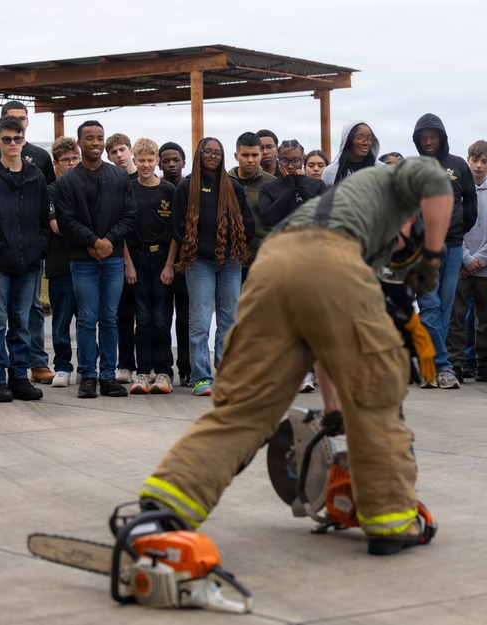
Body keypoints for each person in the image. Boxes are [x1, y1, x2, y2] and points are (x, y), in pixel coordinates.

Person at [138, 155, 451, 556]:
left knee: (246, 407)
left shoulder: (340, 209)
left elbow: (325, 340)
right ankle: (391, 521)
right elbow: (435, 179)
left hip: (271, 266)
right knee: (376, 398)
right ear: (411, 220)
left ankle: (165, 505)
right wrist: (434, 256)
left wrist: (335, 410)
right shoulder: (392, 182)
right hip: (330, 258)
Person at [0, 101, 55, 387]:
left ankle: (19, 377)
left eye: (17, 138)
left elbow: (45, 217)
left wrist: (39, 247)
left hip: (28, 263)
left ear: (23, 140)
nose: (13, 143)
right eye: (7, 139)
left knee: (22, 323)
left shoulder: (36, 176)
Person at [54, 120, 138, 399]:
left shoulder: (118, 176)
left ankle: (108, 376)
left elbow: (129, 215)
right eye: (89, 138)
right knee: (87, 320)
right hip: (82, 259)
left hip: (112, 258)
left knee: (110, 319)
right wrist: (92, 242)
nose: (95, 142)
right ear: (79, 142)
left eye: (99, 137)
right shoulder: (66, 181)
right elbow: (66, 220)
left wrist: (107, 241)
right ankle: (88, 376)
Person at [172, 138, 254, 397]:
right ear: (199, 155)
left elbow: (247, 223)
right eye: (207, 151)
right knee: (199, 322)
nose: (212, 155)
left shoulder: (233, 187)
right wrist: (197, 247)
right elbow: (176, 226)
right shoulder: (186, 187)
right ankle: (200, 377)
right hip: (198, 263)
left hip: (230, 262)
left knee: (229, 321)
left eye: (217, 152)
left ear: (223, 157)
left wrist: (232, 246)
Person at [413, 113, 477, 389]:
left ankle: (429, 366)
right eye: (423, 137)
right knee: (430, 304)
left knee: (446, 308)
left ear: (442, 137)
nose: (428, 141)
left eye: (432, 136)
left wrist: (459, 231)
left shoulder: (458, 165)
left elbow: (470, 203)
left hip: (451, 245)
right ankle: (442, 366)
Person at [258, 139, 328, 394]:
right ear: (278, 160)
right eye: (285, 160)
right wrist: (288, 187)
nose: (291, 165)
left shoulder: (316, 185)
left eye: (296, 160)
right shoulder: (270, 187)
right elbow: (270, 217)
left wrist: (300, 184)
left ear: (302, 160)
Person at [126, 138, 178, 395]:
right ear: (134, 160)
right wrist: (128, 264)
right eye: (141, 160)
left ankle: (164, 372)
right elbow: (122, 231)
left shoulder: (169, 190)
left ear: (157, 161)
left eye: (150, 160)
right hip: (137, 258)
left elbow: (175, 234)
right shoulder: (128, 189)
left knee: (161, 318)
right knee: (143, 319)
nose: (145, 165)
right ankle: (143, 372)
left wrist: (169, 265)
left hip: (162, 261)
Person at [447, 140, 487, 383]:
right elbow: (455, 226)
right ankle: (455, 363)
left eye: (484, 161)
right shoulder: (458, 189)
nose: (479, 166)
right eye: (474, 160)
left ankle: (485, 363)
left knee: (486, 319)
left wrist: (480, 259)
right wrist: (466, 258)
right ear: (468, 160)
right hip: (461, 265)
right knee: (457, 318)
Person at [45, 137, 81, 387]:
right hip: (60, 265)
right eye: (66, 160)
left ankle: (88, 366)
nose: (71, 163)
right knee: (61, 321)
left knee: (89, 320)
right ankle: (62, 367)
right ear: (56, 163)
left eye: (74, 158)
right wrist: (86, 231)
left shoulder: (90, 185)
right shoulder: (50, 191)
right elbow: (57, 226)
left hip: (88, 264)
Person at [159, 141, 192, 387]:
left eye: (176, 160)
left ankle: (186, 368)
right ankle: (163, 368)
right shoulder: (156, 188)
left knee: (186, 320)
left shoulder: (190, 187)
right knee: (161, 318)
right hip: (159, 263)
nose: (171, 164)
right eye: (166, 160)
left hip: (188, 264)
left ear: (184, 162)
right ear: (159, 163)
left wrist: (184, 259)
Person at [107, 133, 138, 383]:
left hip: (151, 256)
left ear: (131, 151)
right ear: (108, 156)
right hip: (122, 256)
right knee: (123, 315)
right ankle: (125, 364)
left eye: (122, 150)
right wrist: (127, 261)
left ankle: (153, 365)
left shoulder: (147, 179)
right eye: (114, 152)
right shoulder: (111, 182)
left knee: (151, 316)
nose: (119, 155)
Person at [229, 132, 277, 283]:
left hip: (263, 260)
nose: (250, 160)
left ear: (261, 155)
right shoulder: (224, 183)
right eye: (245, 155)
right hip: (229, 261)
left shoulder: (273, 184)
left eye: (255, 155)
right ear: (236, 156)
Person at [322, 121, 386, 185]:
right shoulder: (331, 172)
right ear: (347, 140)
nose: (366, 143)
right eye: (360, 137)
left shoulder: (381, 169)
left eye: (369, 138)